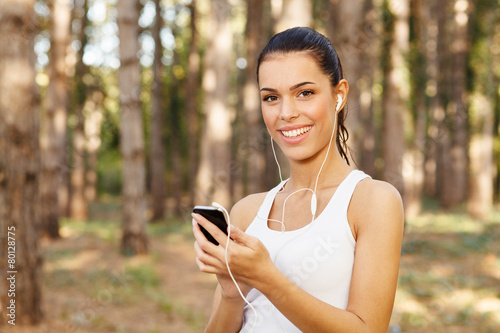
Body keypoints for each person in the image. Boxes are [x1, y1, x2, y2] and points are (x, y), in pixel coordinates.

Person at [192, 26, 404, 333]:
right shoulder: (247, 212)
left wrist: (267, 278)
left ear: (338, 95)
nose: (286, 113)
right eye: (271, 97)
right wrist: (231, 293)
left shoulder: (371, 201)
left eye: (305, 93)